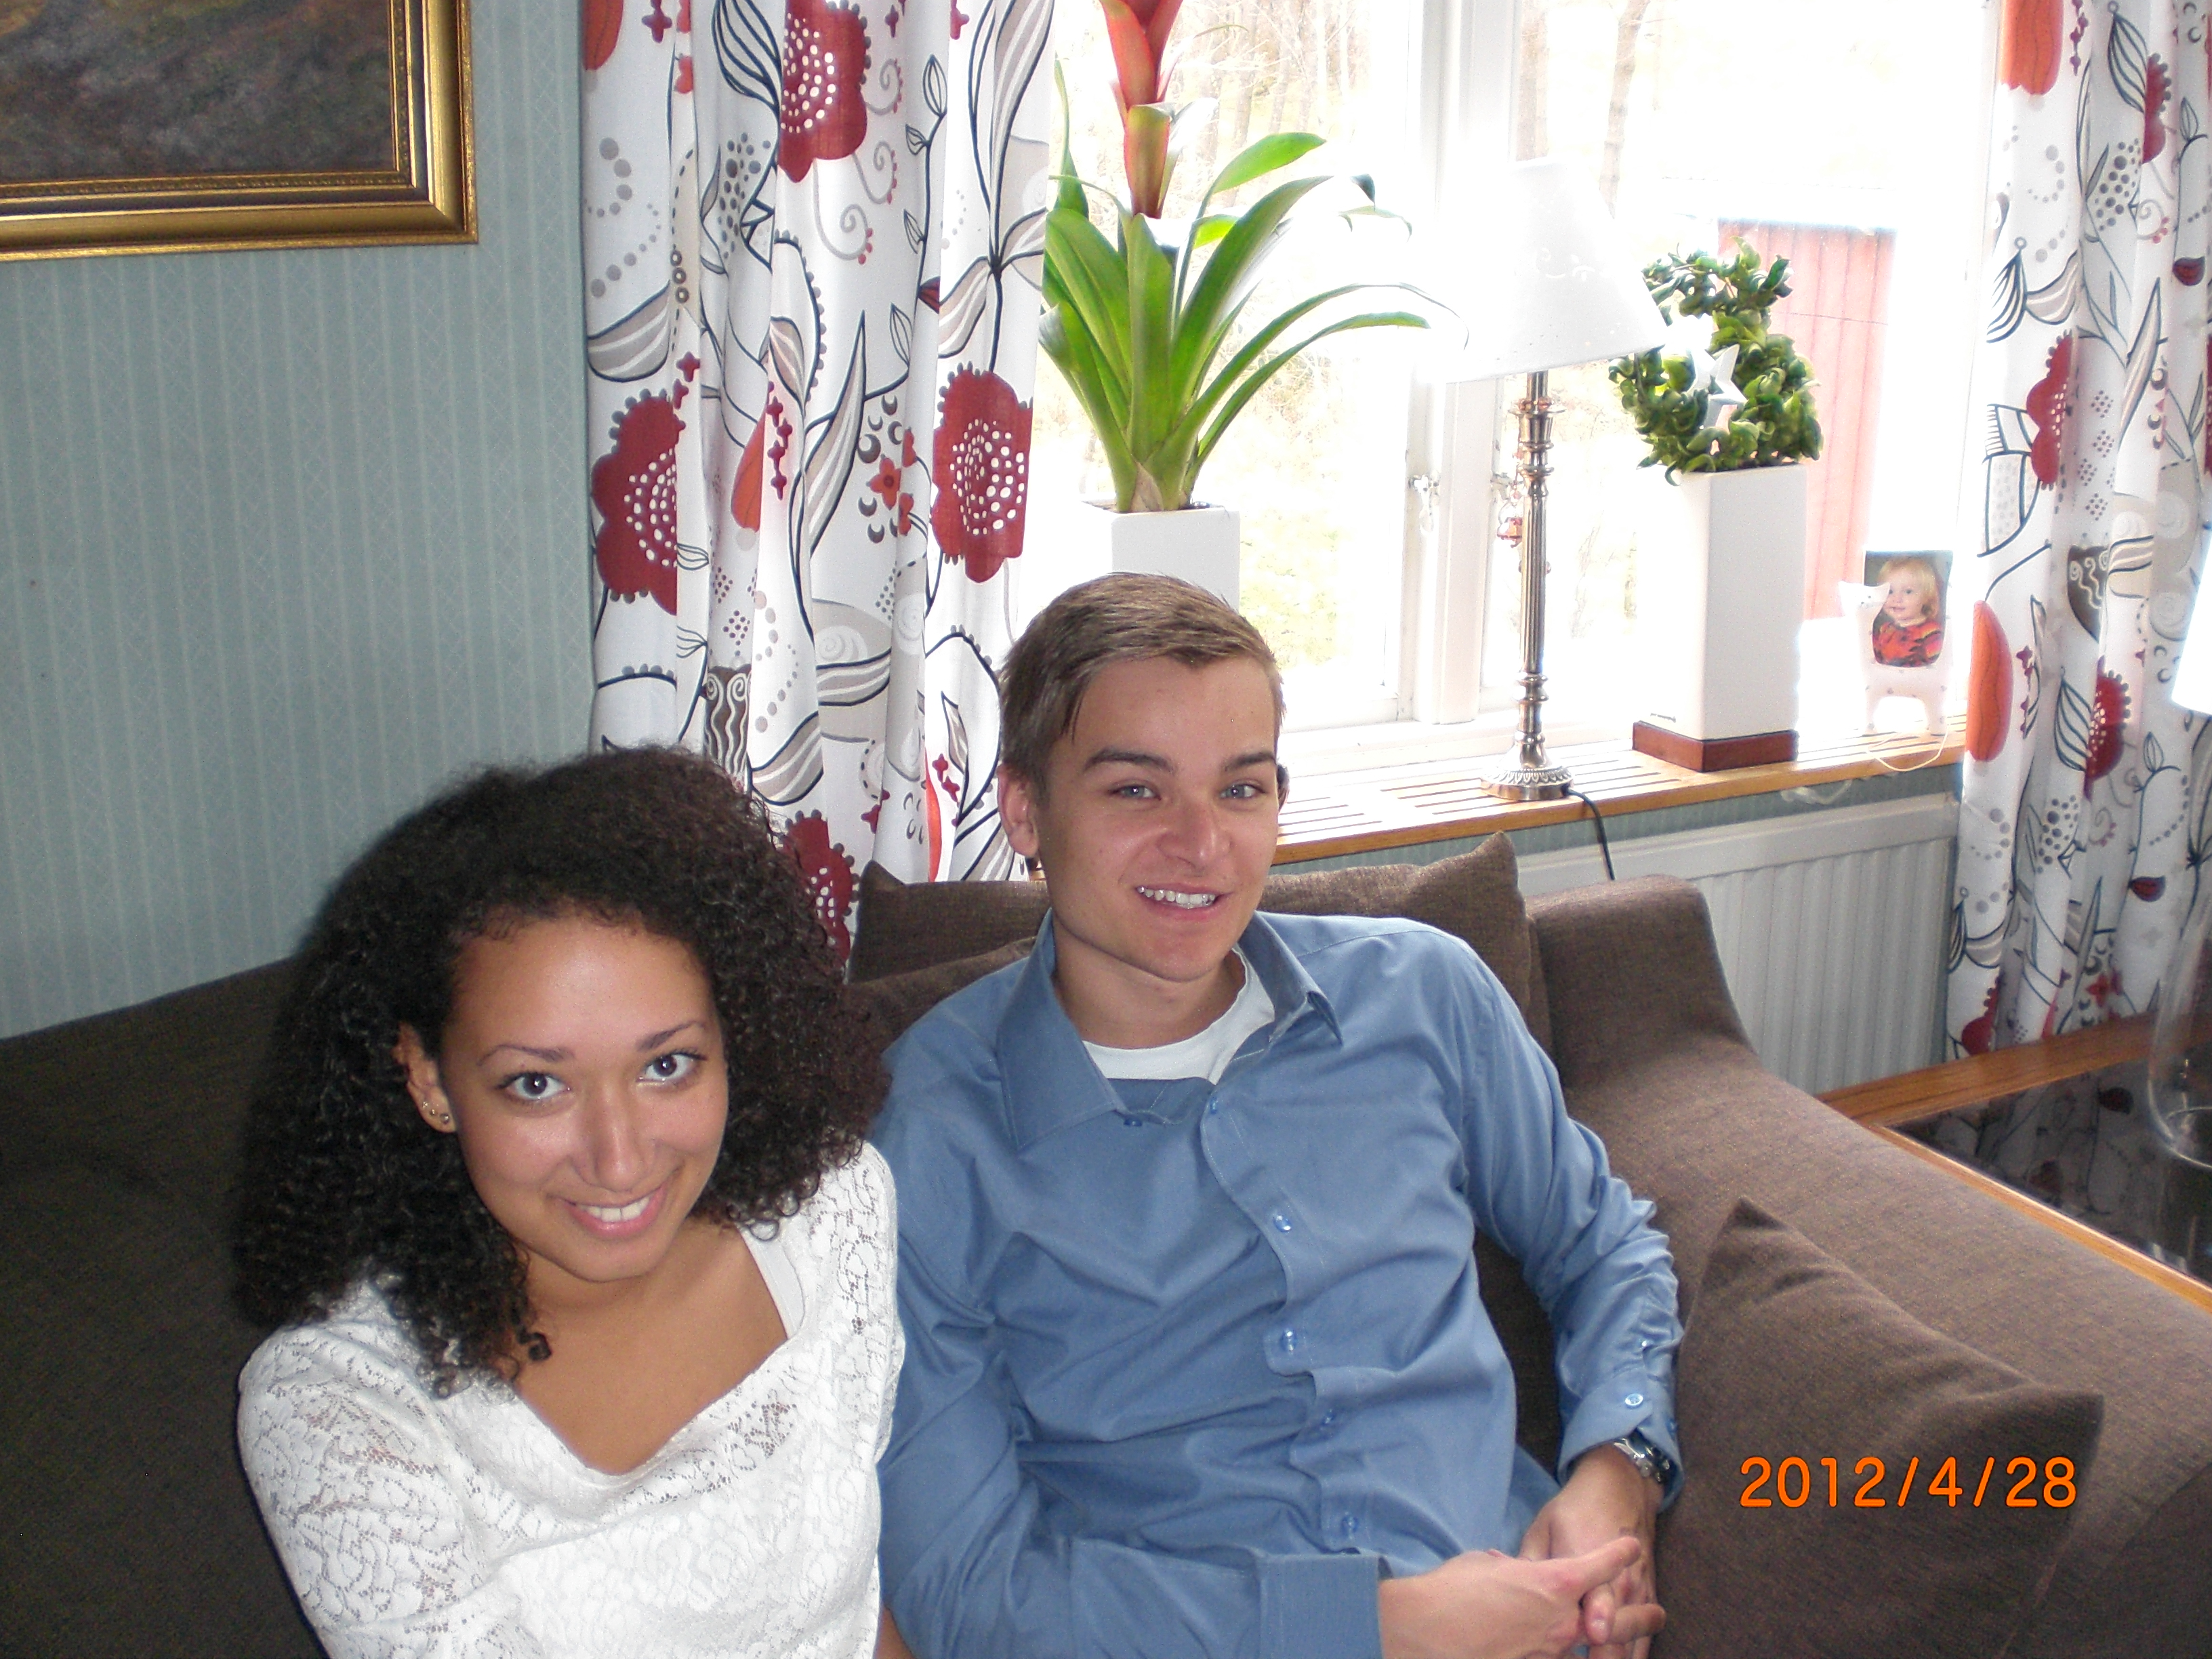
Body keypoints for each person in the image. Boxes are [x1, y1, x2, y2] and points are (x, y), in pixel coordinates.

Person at [871, 575, 1683, 1659]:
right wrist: (1378, 1630)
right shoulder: (927, 1135)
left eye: (1242, 788)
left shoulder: (1424, 996)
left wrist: (1620, 1471)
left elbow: (1604, 1244)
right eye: (1136, 791)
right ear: (1025, 810)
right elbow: (968, 1589)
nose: (1202, 843)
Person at [232, 747, 906, 1659]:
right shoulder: (345, 1409)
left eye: (666, 1065)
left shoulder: (833, 1217)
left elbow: (858, 1612)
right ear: (429, 1080)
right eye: (537, 1085)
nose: (619, 1159)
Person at [1870, 555, 1946, 667]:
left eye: (1908, 592)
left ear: (1926, 597)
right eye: (1890, 592)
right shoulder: (1884, 630)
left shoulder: (1931, 633)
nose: (1897, 599)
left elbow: (1939, 669)